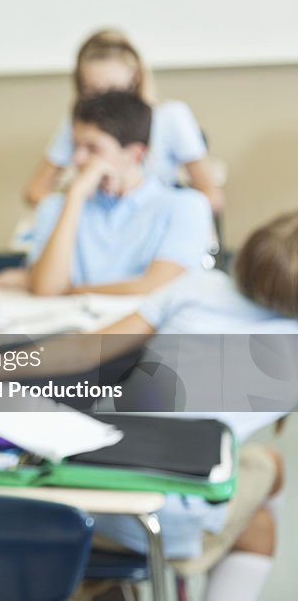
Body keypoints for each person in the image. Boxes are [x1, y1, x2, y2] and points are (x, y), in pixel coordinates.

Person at [88, 210, 298, 601]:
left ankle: (105, 584)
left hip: (86, 495)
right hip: (161, 520)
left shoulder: (195, 287)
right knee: (267, 493)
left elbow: (87, 349)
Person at [0, 91, 213, 296]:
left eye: (93, 148)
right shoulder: (56, 206)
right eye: (76, 146)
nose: (78, 159)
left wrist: (69, 291)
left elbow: (153, 287)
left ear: (135, 154)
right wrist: (75, 197)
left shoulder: (186, 206)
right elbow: (46, 289)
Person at [23, 29, 224, 213]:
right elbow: (35, 191)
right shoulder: (79, 127)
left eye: (114, 91)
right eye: (93, 93)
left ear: (136, 80)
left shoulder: (170, 117)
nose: (105, 105)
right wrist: (75, 203)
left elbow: (211, 197)